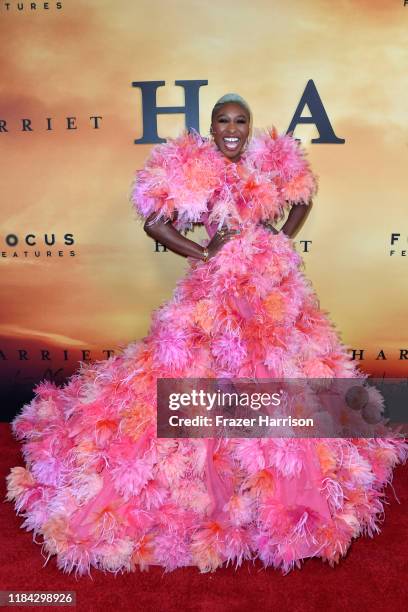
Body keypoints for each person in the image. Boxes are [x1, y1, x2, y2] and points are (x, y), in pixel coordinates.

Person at [6, 93, 407, 576]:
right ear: (211, 126)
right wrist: (200, 252)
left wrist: (278, 236)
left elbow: (303, 194)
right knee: (199, 371)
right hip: (215, 290)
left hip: (269, 287)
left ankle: (280, 495)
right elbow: (155, 220)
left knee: (278, 372)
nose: (233, 128)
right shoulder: (189, 164)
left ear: (250, 125)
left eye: (241, 120)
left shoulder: (270, 160)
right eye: (223, 120)